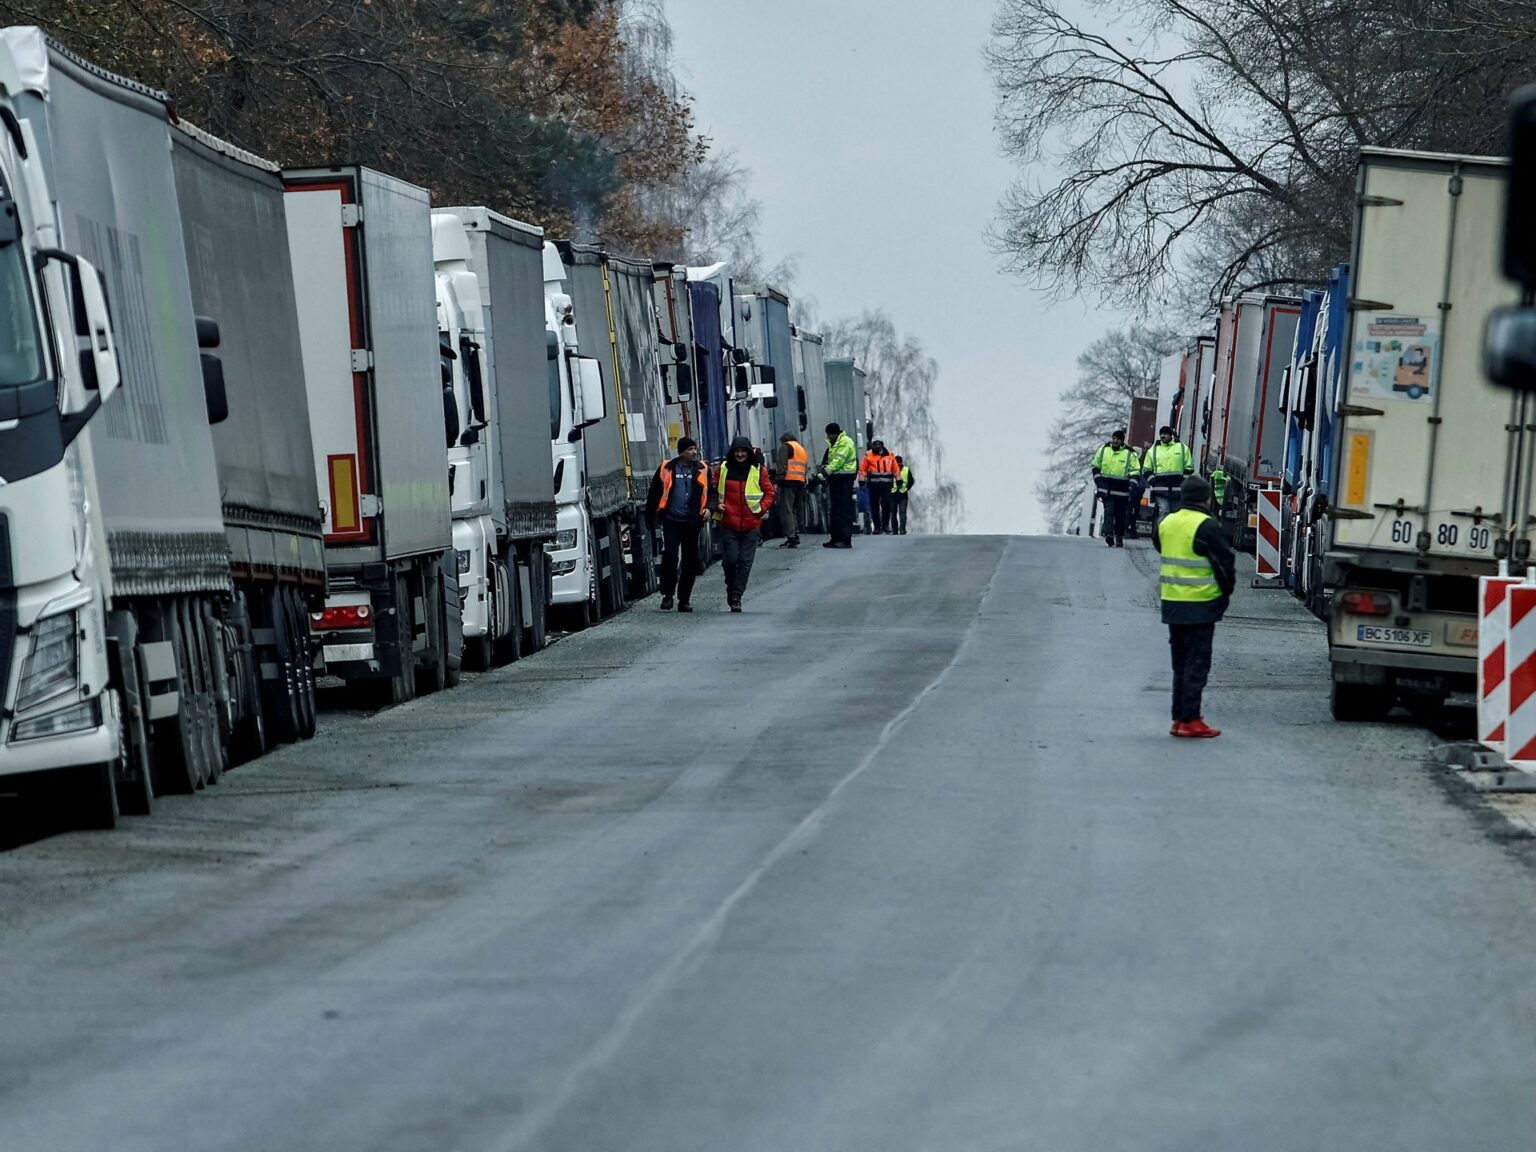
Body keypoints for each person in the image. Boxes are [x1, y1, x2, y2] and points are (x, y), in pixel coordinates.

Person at [1155, 475, 1236, 738]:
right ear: (1206, 498)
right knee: (1197, 664)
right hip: (1200, 604)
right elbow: (1224, 564)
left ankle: (1179, 718)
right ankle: (1190, 719)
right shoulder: (1206, 525)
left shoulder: (1166, 523)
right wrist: (1224, 595)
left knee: (1180, 664)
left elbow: (1160, 547)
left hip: (1172, 604)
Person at [644, 437, 709, 612]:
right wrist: (650, 518)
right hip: (672, 520)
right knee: (670, 556)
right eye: (689, 449)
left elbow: (712, 492)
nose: (694, 452)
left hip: (692, 522)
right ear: (681, 452)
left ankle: (684, 599)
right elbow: (654, 493)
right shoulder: (667, 468)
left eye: (695, 449)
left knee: (689, 561)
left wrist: (709, 508)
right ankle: (668, 595)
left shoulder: (702, 469)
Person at [712, 435, 775, 611]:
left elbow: (769, 492)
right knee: (730, 561)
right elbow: (713, 489)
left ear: (748, 452)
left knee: (745, 562)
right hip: (729, 523)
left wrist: (760, 510)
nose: (740, 454)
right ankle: (731, 588)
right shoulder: (723, 469)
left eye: (743, 451)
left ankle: (737, 596)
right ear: (732, 452)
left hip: (751, 525)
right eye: (737, 451)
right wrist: (717, 504)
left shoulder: (758, 470)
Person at [1091, 429, 1141, 547]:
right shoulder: (1103, 450)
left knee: (1120, 515)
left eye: (1117, 439)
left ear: (1122, 441)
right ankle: (1109, 535)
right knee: (1108, 511)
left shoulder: (1130, 454)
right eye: (1113, 438)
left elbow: (1135, 471)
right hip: (1106, 488)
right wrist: (1098, 481)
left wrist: (1132, 485)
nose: (1115, 441)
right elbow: (1095, 466)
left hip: (1122, 491)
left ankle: (1119, 536)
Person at [1143, 426, 1195, 519]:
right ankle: (1162, 533)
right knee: (1164, 511)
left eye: (1165, 434)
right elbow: (1146, 469)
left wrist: (1184, 482)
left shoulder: (1182, 448)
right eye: (1161, 434)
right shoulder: (1153, 450)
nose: (1162, 436)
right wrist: (1153, 482)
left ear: (1171, 435)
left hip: (1177, 489)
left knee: (1176, 515)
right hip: (1160, 489)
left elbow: (1189, 467)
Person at [821, 422, 858, 549]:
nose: (828, 437)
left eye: (829, 435)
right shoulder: (835, 443)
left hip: (844, 480)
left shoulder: (845, 442)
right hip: (836, 479)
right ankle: (836, 538)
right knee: (835, 510)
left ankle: (845, 539)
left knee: (843, 510)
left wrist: (825, 473)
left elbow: (838, 461)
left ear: (834, 433)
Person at [773, 431, 809, 548]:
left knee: (786, 509)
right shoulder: (801, 448)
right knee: (793, 510)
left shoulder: (785, 447)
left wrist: (777, 481)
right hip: (800, 482)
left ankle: (791, 536)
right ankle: (795, 533)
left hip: (788, 481)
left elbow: (781, 465)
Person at [860, 439, 899, 533]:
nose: (877, 446)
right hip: (873, 485)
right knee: (874, 506)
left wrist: (899, 480)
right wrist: (861, 480)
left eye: (879, 444)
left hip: (886, 485)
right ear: (873, 445)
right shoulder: (868, 455)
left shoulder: (890, 454)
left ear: (882, 445)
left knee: (886, 505)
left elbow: (895, 469)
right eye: (875, 444)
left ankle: (886, 525)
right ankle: (877, 527)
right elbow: (863, 469)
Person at [892, 455, 914, 535]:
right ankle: (894, 530)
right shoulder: (891, 470)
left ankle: (902, 530)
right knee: (893, 513)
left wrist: (906, 488)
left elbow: (911, 481)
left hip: (902, 495)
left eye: (898, 462)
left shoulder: (906, 470)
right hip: (892, 494)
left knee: (902, 513)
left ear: (901, 462)